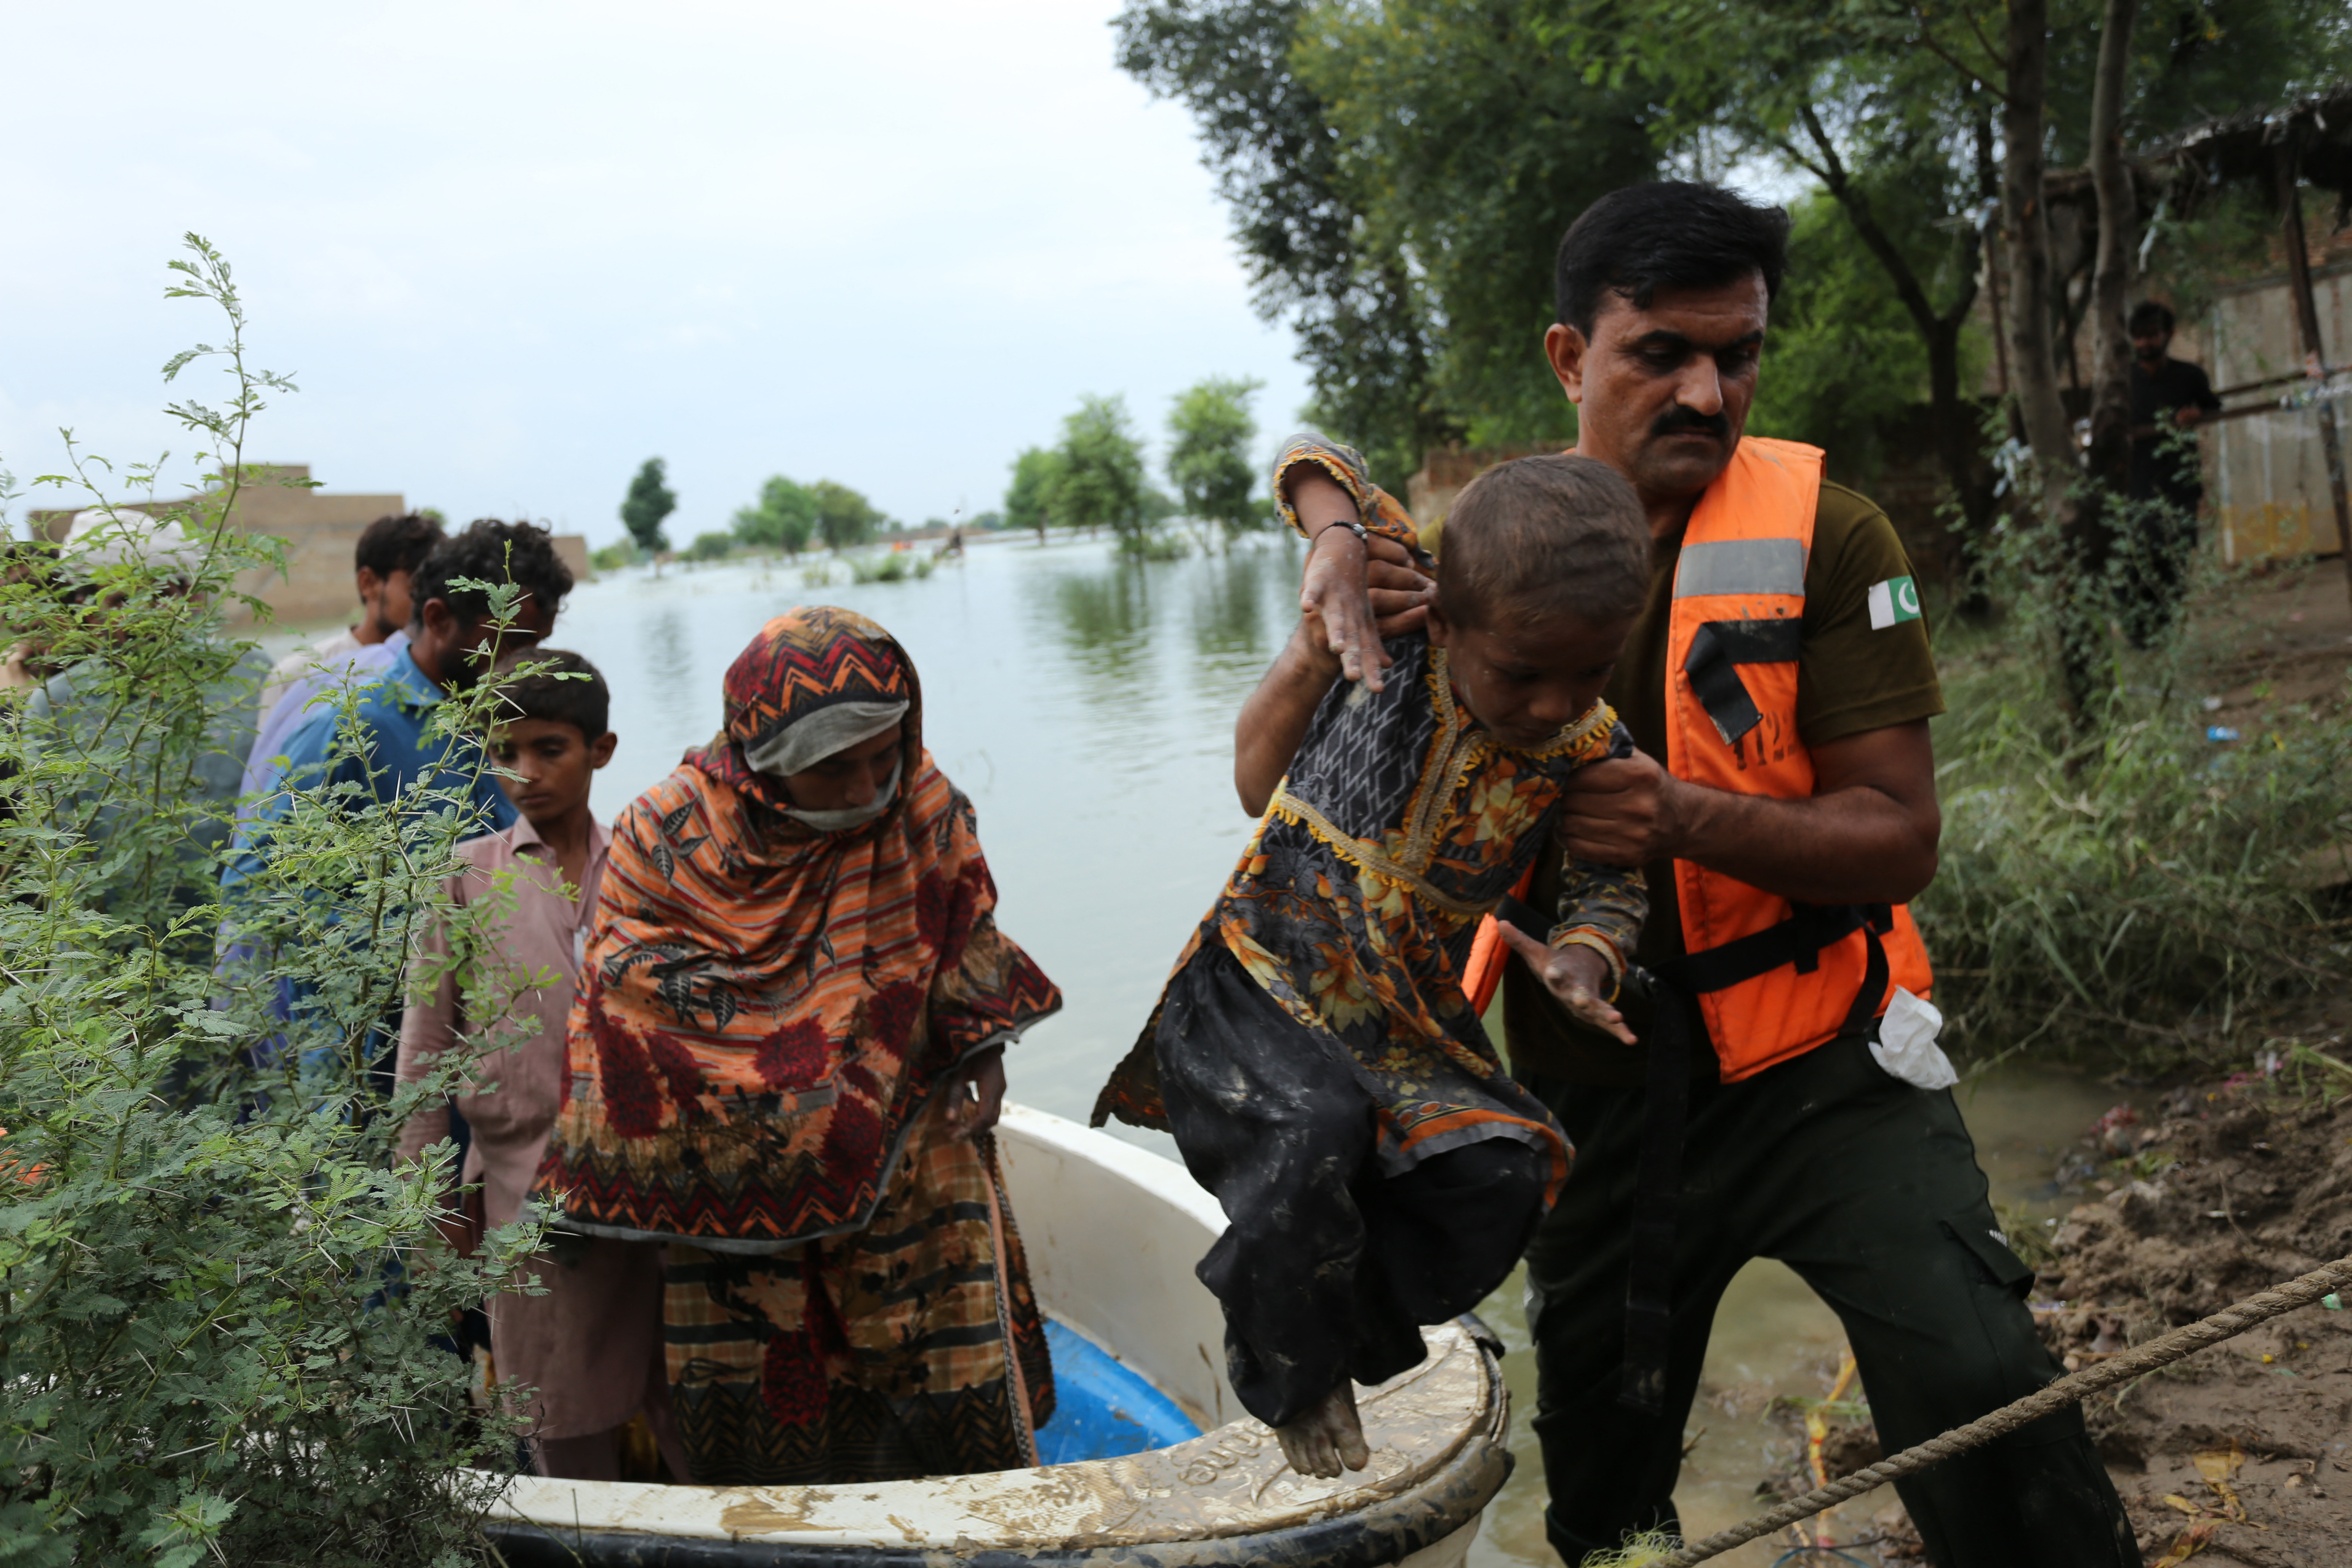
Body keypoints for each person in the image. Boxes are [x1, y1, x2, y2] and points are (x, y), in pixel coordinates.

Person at [1297, 182, 2138, 1566]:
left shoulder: (1832, 538)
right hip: (1585, 1100)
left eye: (1737, 354)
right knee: (1604, 1484)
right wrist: (1331, 540)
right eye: (1661, 354)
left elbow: (1900, 834)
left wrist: (1678, 814)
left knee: (1985, 1387)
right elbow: (1311, 481)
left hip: (1825, 1061)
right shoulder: (1475, 550)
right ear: (1572, 359)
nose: (1708, 389)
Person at [1093, 455, 1652, 1479]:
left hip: (1399, 1023)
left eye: (1590, 673)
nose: (1552, 704)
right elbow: (1319, 466)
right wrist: (1337, 547)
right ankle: (1290, 1369)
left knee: (1506, 1173)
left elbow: (1610, 882)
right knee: (1315, 1134)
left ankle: (1295, 1306)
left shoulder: (1587, 746)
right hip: (1262, 972)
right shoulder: (1388, 630)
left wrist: (1581, 959)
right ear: (1445, 621)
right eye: (1524, 673)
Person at [534, 606, 1062, 1486]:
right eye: (832, 769)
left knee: (943, 1374)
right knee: (769, 1417)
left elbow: (963, 923)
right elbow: (623, 997)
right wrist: (788, 1080)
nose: (866, 786)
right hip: (735, 1189)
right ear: (763, 766)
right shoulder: (664, 837)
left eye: (880, 754)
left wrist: (982, 1049)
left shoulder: (920, 804)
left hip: (912, 1150)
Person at [394, 649, 688, 1481]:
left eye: (549, 749)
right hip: (529, 1197)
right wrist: (431, 1202)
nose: (524, 773)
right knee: (558, 1417)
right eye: (504, 753)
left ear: (601, 749)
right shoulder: (462, 880)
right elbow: (425, 1055)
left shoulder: (645, 863)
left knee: (690, 1402)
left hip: (658, 1188)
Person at [244, 511, 444, 801]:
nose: (429, 604)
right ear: (369, 583)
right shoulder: (298, 674)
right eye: (416, 591)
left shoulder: (437, 676)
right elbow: (267, 782)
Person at [2124, 300, 2222, 642]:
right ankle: (2139, 638)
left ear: (2168, 335)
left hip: (2178, 482)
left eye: (2152, 335)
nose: (2145, 344)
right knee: (2135, 561)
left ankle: (2167, 638)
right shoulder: (2123, 382)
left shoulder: (2190, 376)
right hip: (2134, 485)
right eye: (2138, 337)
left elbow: (2212, 408)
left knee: (2173, 559)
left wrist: (2196, 413)